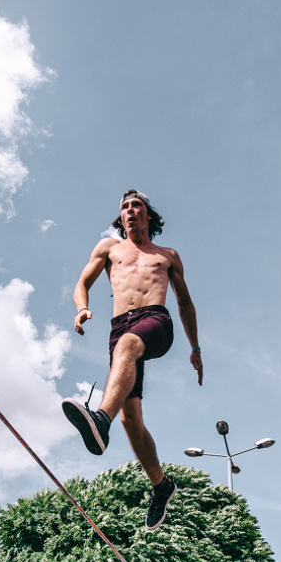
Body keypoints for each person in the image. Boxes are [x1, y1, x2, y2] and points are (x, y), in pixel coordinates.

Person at [61, 189, 203, 531]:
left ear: (148, 216)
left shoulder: (167, 255)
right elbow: (82, 282)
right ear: (120, 218)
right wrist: (82, 308)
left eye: (136, 205)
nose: (130, 210)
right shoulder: (108, 248)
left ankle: (100, 422)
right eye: (124, 207)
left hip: (156, 320)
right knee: (132, 422)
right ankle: (161, 485)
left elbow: (185, 305)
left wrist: (195, 348)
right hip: (119, 326)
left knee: (128, 344)